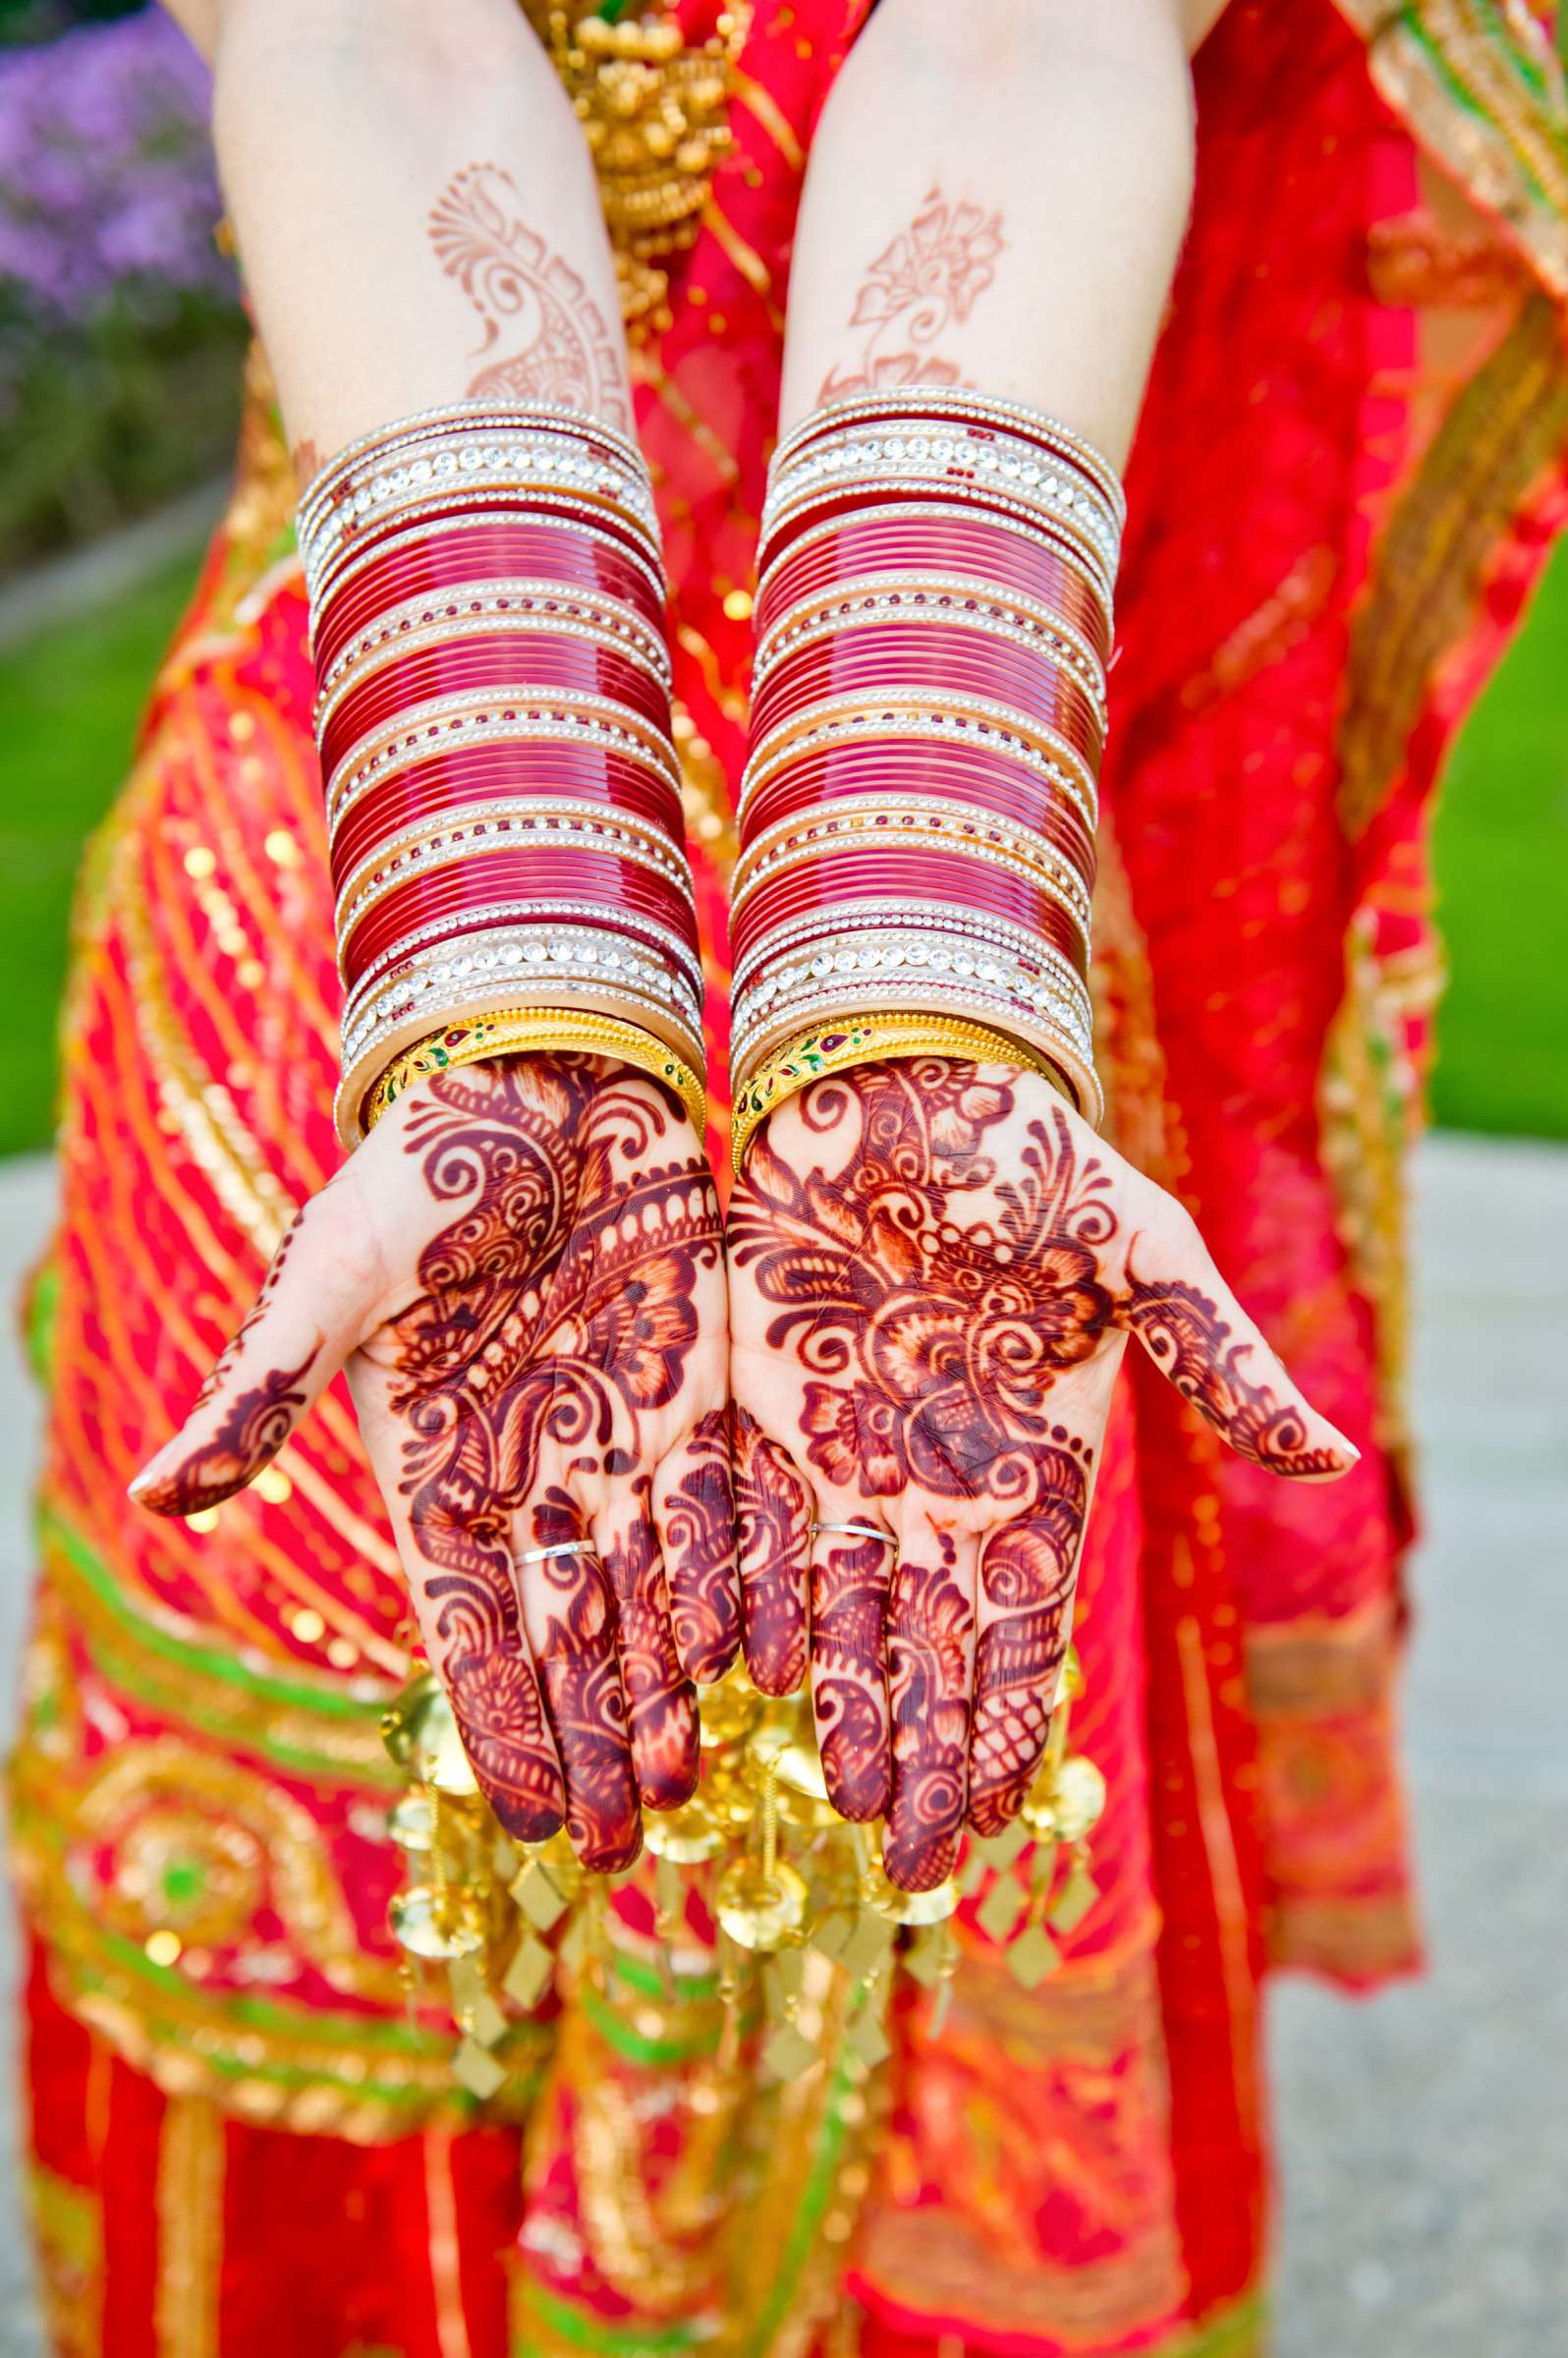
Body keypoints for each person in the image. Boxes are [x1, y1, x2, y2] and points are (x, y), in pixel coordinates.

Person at [13, 2, 1567, 2352]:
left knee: (926, 1837)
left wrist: (901, 941)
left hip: (939, 1048)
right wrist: (527, 965)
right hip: (384, 957)